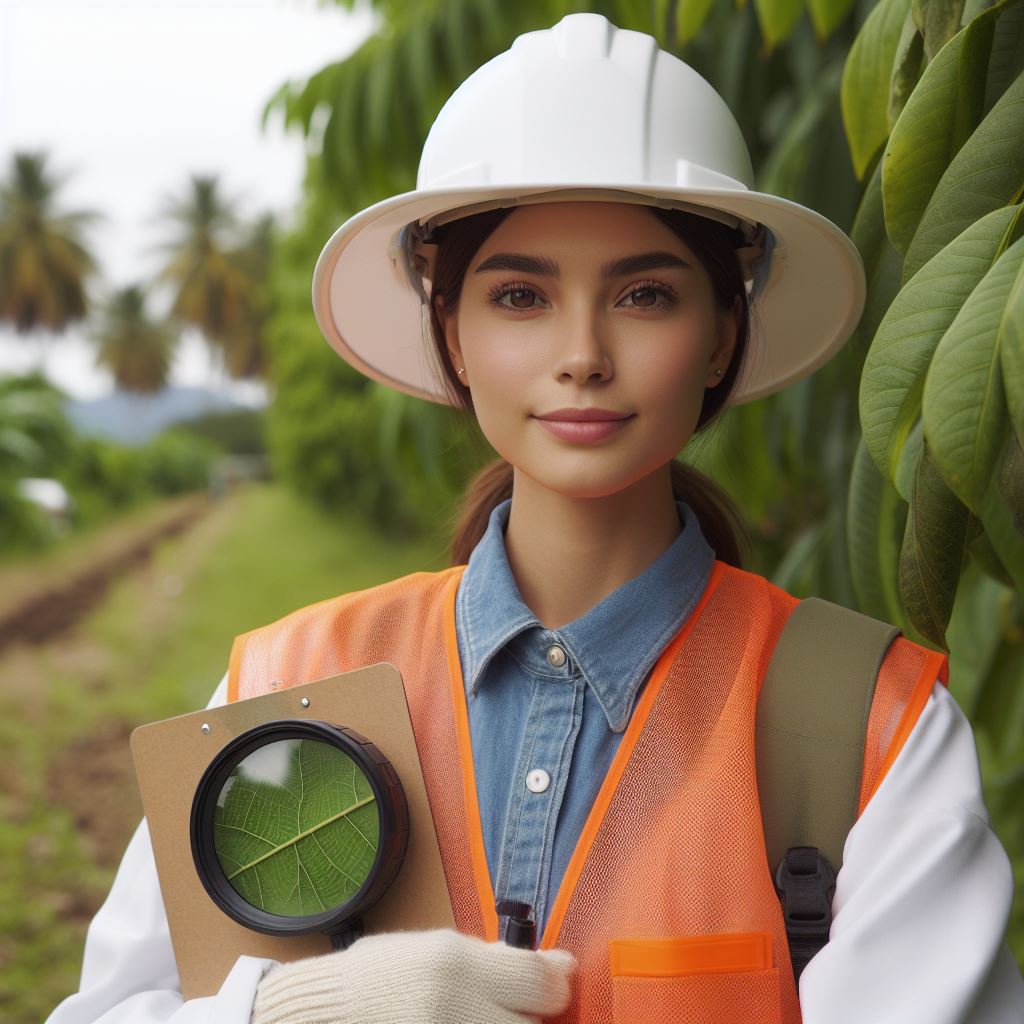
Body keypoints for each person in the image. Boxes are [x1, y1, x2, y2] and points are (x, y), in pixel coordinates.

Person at [47, 13, 1024, 1024]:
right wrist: (287, 1012)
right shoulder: (286, 686)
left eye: (644, 294)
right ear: (451, 334)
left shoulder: (866, 724)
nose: (582, 353)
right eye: (519, 296)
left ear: (724, 332)